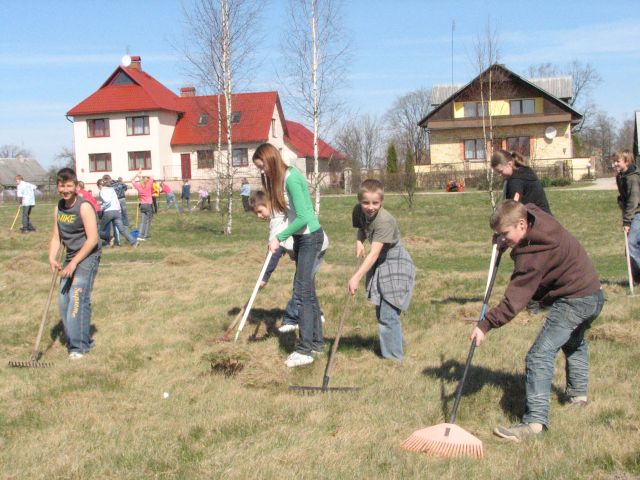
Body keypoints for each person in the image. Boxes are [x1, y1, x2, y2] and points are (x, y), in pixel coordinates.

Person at [470, 200, 603, 442]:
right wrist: (504, 240)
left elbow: (514, 302)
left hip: (576, 300)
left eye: (505, 234)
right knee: (573, 341)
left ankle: (534, 424)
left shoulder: (533, 257)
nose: (502, 239)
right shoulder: (536, 216)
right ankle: (578, 397)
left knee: (539, 355)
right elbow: (525, 205)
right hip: (594, 293)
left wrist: (485, 324)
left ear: (522, 224)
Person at [252, 143, 325, 368]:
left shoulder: (291, 178)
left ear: (271, 160)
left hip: (311, 237)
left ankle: (304, 350)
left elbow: (304, 217)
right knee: (309, 294)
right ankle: (316, 343)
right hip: (304, 238)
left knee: (302, 294)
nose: (262, 172)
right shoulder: (282, 180)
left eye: (262, 166)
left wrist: (279, 237)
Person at [348, 179, 415, 361]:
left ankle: (393, 358)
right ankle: (397, 345)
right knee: (382, 312)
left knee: (388, 312)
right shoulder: (358, 211)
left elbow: (374, 254)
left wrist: (356, 278)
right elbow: (362, 229)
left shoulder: (385, 220)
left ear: (381, 201)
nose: (370, 207)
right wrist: (359, 242)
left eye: (375, 203)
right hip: (380, 262)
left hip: (395, 262)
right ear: (359, 200)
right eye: (366, 202)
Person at [249, 190, 328, 332]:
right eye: (256, 214)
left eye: (260, 211)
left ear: (268, 204)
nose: (259, 216)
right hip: (305, 249)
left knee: (301, 285)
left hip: (314, 247)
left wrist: (265, 276)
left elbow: (273, 252)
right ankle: (314, 315)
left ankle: (294, 319)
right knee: (305, 284)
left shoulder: (277, 220)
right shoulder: (279, 215)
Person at [48, 168, 101, 360]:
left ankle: (78, 347)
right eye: (62, 186)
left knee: (77, 296)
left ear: (76, 186)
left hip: (88, 256)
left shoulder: (84, 206)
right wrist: (52, 258)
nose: (65, 189)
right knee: (64, 300)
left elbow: (93, 239)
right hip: (71, 255)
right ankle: (83, 338)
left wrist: (74, 264)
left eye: (69, 185)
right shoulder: (59, 208)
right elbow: (56, 237)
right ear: (57, 186)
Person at [491, 149, 550, 315]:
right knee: (538, 263)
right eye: (497, 173)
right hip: (540, 223)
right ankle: (542, 300)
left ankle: (532, 303)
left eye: (501, 172)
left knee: (527, 262)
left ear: (510, 164)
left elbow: (511, 210)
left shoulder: (515, 180)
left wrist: (500, 233)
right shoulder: (523, 172)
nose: (500, 176)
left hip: (538, 226)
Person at [491, 149, 551, 214]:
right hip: (546, 219)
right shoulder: (525, 171)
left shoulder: (516, 181)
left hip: (537, 221)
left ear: (510, 164)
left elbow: (513, 211)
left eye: (500, 171)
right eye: (497, 172)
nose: (499, 175)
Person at [613, 149, 640, 283]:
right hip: (632, 213)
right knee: (633, 246)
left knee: (631, 245)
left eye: (618, 161)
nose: (615, 164)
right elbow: (625, 197)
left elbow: (633, 200)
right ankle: (636, 278)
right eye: (614, 161)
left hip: (637, 214)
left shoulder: (633, 177)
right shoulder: (621, 176)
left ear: (627, 162)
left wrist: (627, 222)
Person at [97, 178, 137, 247]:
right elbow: (115, 200)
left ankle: (109, 238)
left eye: (98, 187)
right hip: (117, 211)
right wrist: (119, 210)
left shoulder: (102, 191)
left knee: (99, 229)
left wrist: (101, 206)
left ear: (100, 185)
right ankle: (133, 242)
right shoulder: (112, 189)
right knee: (122, 229)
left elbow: (107, 202)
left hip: (108, 212)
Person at [131, 169, 154, 243]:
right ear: (146, 180)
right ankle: (145, 236)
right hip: (148, 205)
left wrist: (138, 174)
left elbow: (132, 180)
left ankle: (140, 235)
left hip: (142, 205)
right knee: (148, 221)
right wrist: (143, 174)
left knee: (143, 221)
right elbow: (151, 176)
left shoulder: (139, 186)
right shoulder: (148, 185)